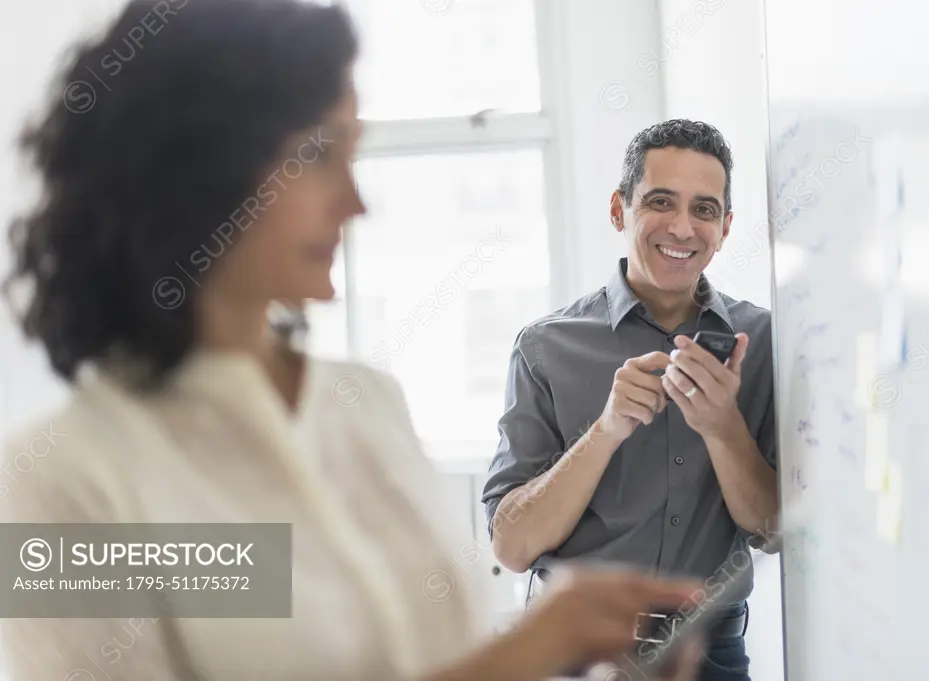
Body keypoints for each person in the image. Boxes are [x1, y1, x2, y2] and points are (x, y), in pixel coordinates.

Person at [0, 2, 708, 680]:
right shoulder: (58, 481)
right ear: (193, 170)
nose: (356, 202)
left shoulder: (366, 403)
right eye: (317, 156)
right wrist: (520, 653)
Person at [481, 119, 780, 681]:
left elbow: (774, 528)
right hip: (574, 651)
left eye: (705, 209)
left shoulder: (762, 343)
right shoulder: (546, 346)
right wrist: (607, 429)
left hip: (712, 655)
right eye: (660, 202)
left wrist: (722, 427)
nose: (682, 227)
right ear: (620, 210)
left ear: (726, 227)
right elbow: (513, 546)